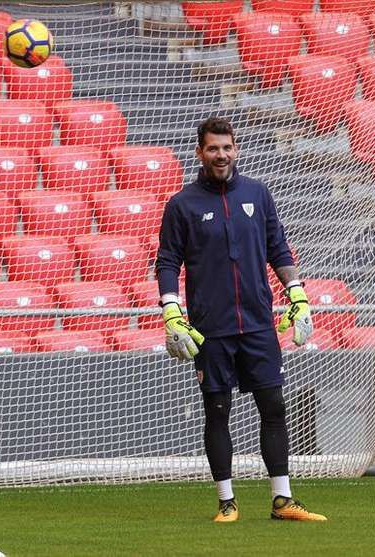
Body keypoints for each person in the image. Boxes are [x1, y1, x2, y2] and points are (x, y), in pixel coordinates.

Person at [154, 117, 327, 523]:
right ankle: (226, 502)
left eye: (227, 147)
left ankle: (283, 500)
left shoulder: (257, 193)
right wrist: (170, 309)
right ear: (199, 152)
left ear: (237, 149)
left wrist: (298, 295)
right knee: (217, 410)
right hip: (210, 328)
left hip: (258, 324)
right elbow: (167, 262)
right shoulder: (182, 205)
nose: (221, 155)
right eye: (213, 148)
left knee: (274, 405)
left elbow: (278, 248)